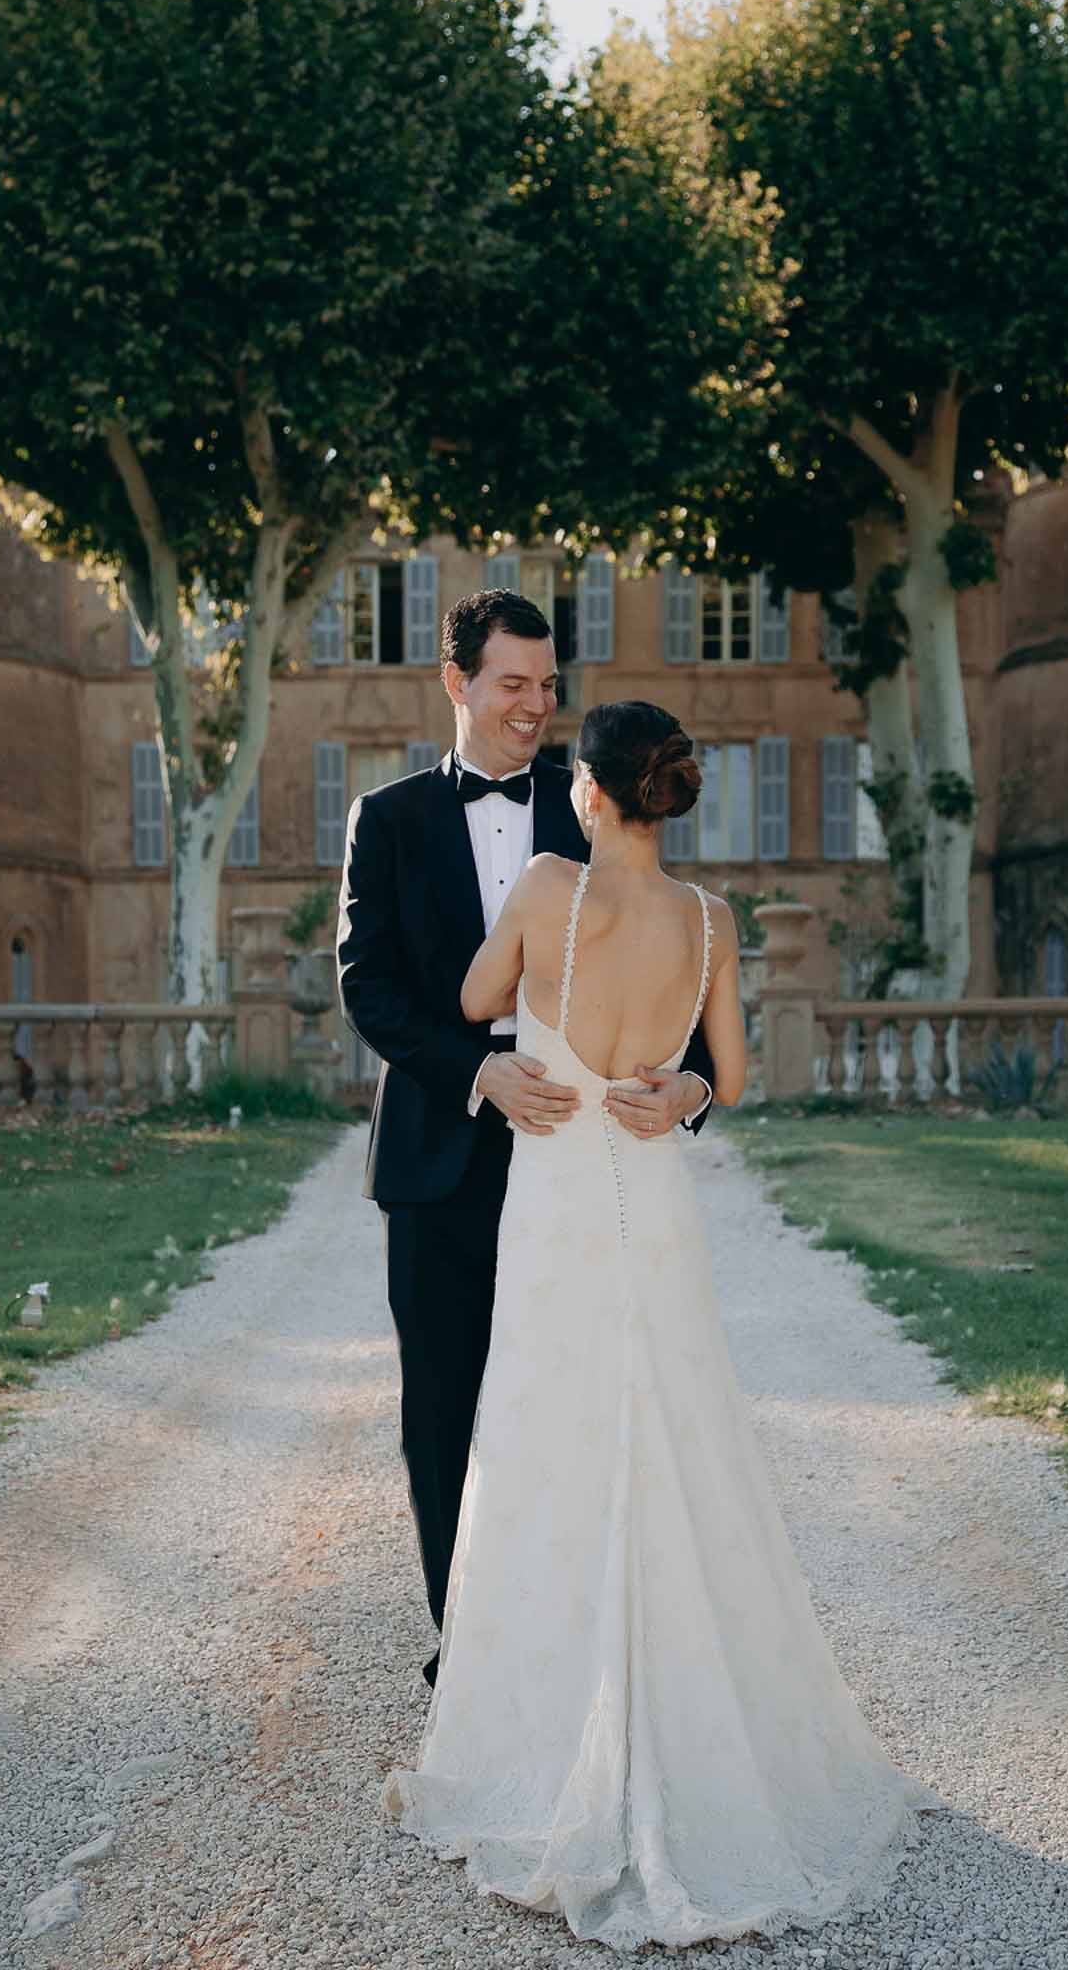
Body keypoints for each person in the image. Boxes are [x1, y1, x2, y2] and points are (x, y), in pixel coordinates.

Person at [380, 698, 944, 1951]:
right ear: (667, 791)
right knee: (683, 1435)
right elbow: (728, 1078)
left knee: (546, 1445)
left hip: (557, 1203)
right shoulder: (713, 919)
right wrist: (681, 1079)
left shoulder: (544, 887)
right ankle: (701, 1726)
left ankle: (546, 1729)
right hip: (656, 1198)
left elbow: (473, 995)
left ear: (589, 789)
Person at [335, 594, 716, 1690]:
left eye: (548, 685)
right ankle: (469, 1651)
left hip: (586, 1153)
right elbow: (368, 985)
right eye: (512, 683)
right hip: (438, 1150)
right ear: (456, 682)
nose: (535, 706)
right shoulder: (387, 818)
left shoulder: (598, 796)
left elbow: (682, 944)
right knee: (442, 1406)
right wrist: (476, 1070)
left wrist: (693, 1084)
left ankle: (580, 1643)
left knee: (586, 1398)